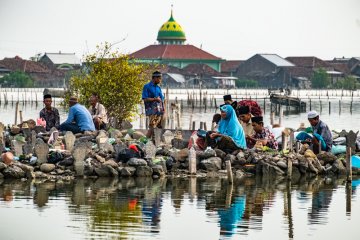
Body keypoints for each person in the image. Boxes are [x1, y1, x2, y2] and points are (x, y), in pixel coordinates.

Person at [142, 71, 165, 138]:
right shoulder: (147, 86)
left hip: (159, 111)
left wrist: (163, 109)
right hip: (151, 110)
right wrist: (155, 99)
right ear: (154, 78)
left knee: (158, 127)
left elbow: (161, 100)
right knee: (152, 127)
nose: (160, 80)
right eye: (159, 78)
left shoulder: (158, 88)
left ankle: (153, 143)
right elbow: (145, 99)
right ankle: (145, 142)